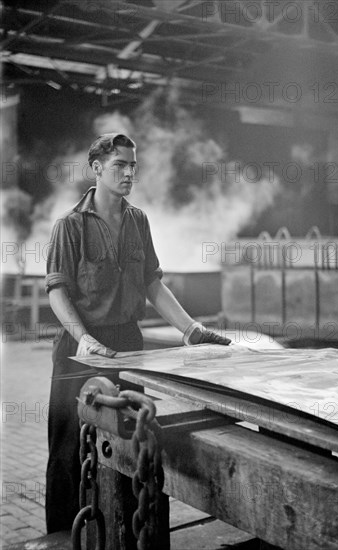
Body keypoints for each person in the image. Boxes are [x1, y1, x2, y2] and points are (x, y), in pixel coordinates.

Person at [44, 133, 230, 533]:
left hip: (129, 345)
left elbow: (152, 284)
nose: (129, 173)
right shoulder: (70, 226)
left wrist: (191, 329)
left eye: (133, 165)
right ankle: (62, 537)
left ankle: (127, 532)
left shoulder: (138, 220)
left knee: (131, 443)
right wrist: (83, 337)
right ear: (96, 169)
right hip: (80, 351)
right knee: (67, 452)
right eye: (120, 166)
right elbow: (57, 292)